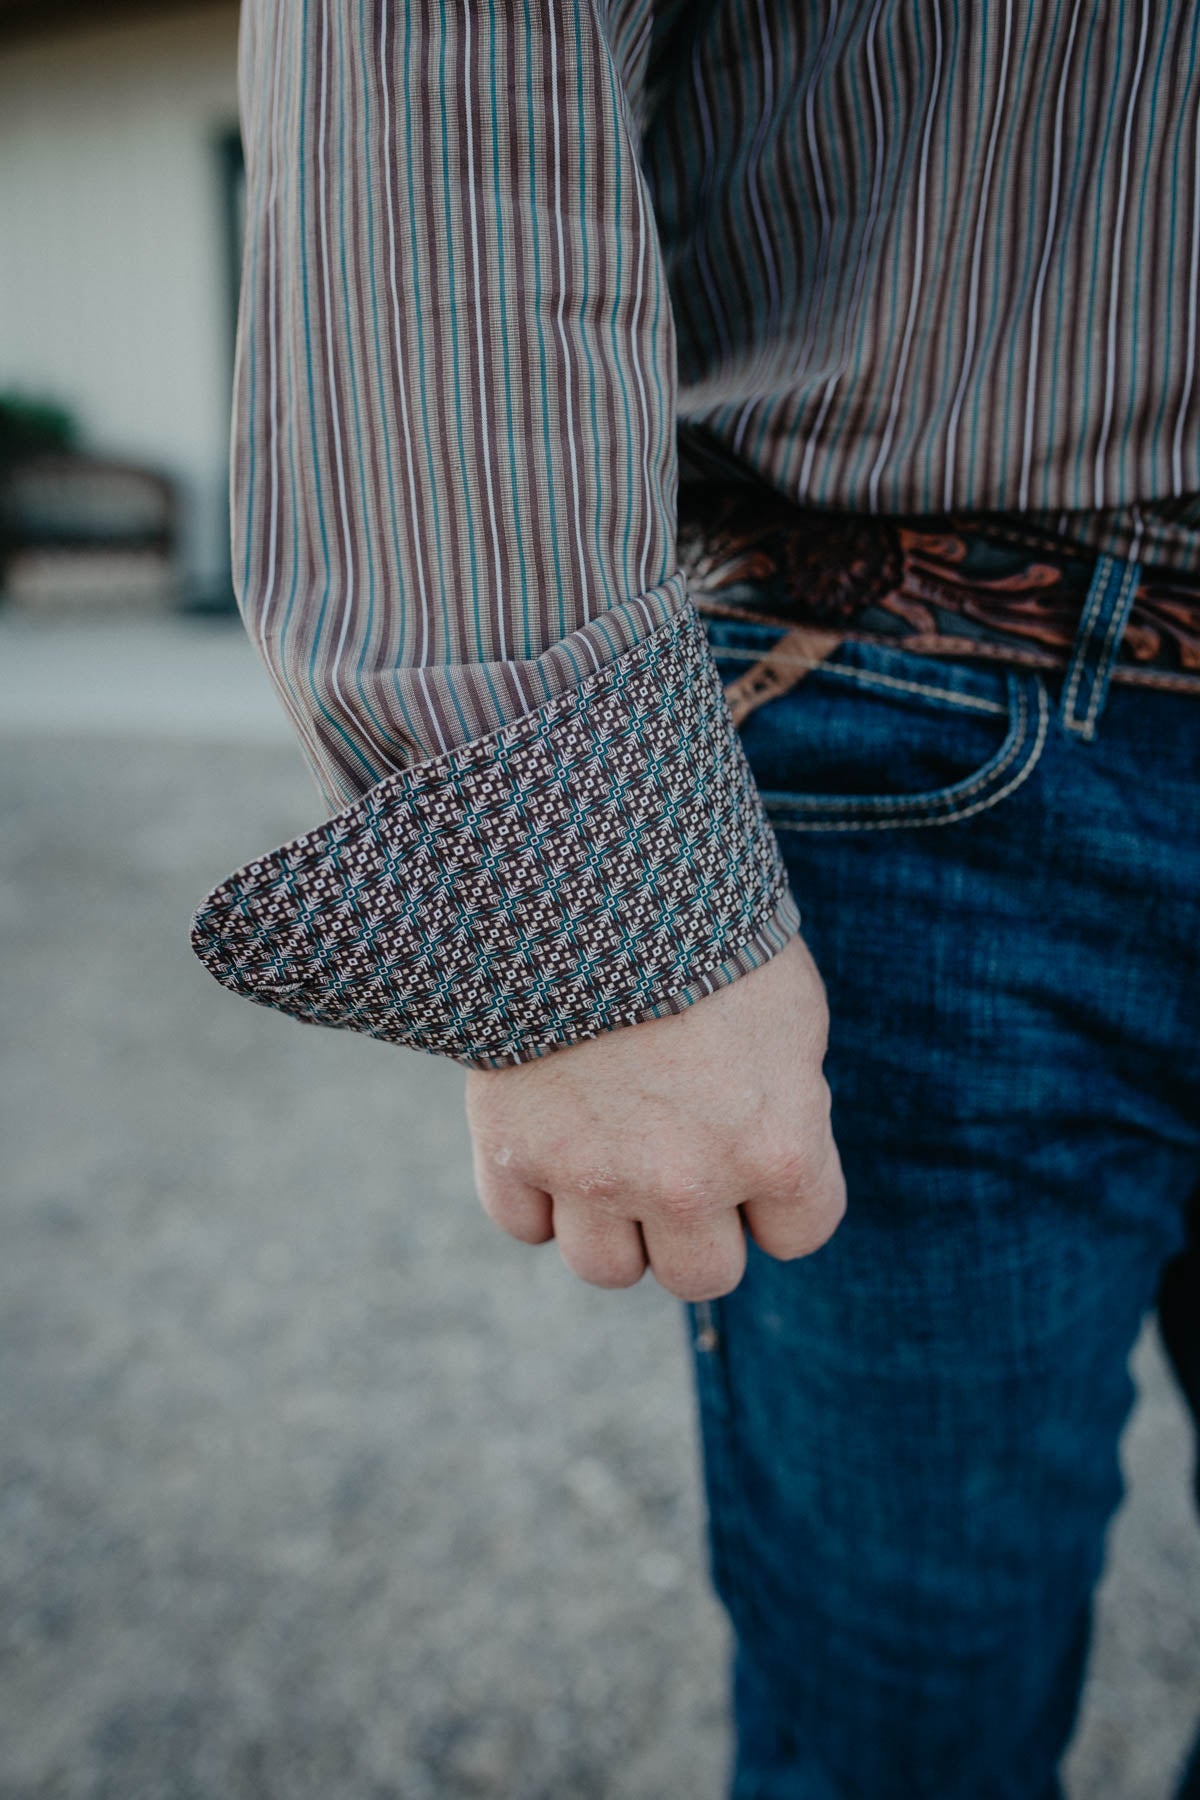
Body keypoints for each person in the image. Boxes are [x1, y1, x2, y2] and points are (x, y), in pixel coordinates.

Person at [192, 3, 1200, 1793]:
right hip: (943, 717)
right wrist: (595, 922)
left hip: (957, 720)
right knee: (908, 1720)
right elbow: (444, 73)